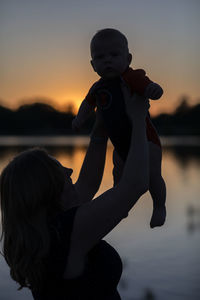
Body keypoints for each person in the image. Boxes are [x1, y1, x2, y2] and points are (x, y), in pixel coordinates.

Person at [0, 86, 149, 299]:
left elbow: (88, 182)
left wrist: (101, 124)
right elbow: (136, 184)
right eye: (61, 171)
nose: (70, 170)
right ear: (48, 188)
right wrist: (138, 119)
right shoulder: (67, 232)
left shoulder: (50, 229)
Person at [72, 28, 166, 228]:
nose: (107, 60)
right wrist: (80, 119)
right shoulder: (98, 87)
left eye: (114, 55)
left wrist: (152, 90)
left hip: (147, 140)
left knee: (152, 175)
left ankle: (159, 205)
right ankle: (119, 205)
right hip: (121, 145)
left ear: (128, 58)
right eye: (100, 57)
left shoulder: (130, 77)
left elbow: (146, 85)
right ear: (92, 65)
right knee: (118, 174)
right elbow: (88, 104)